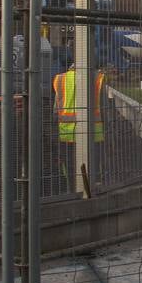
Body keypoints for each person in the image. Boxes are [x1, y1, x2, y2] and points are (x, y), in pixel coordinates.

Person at [52, 62, 106, 197]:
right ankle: (92, 189)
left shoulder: (60, 79)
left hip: (67, 133)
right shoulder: (97, 78)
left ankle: (72, 190)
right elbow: (105, 109)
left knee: (69, 165)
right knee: (93, 163)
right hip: (93, 132)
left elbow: (55, 110)